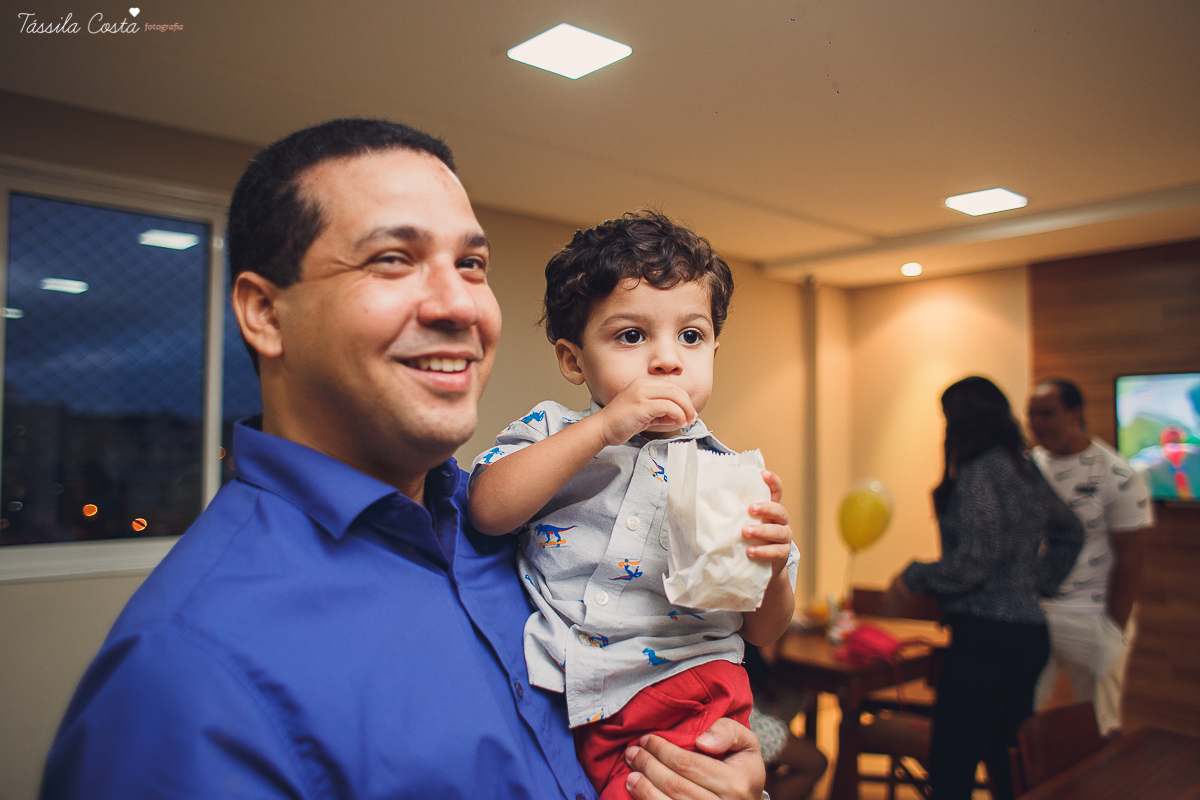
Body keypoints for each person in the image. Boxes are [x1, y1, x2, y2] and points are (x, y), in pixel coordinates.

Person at [39, 120, 768, 800]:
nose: (459, 304)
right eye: (393, 259)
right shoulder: (182, 675)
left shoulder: (507, 523)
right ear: (265, 314)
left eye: (471, 263)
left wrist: (730, 768)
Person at [466, 211, 799, 799]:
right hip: (567, 689)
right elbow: (488, 509)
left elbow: (764, 630)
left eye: (690, 337)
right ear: (573, 361)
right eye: (631, 336)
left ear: (714, 351)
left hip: (693, 686)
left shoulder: (728, 471)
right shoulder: (554, 434)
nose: (667, 360)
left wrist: (770, 570)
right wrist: (602, 428)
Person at [886, 376, 1084, 800]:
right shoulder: (1021, 466)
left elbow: (975, 560)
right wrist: (1034, 584)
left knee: (952, 766)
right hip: (1029, 635)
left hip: (986, 639)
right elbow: (1070, 531)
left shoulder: (978, 473)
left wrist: (914, 576)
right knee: (1008, 762)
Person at [1027, 378, 1154, 735]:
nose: (1038, 423)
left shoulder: (1118, 475)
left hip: (1092, 615)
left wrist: (1112, 630)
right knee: (1019, 719)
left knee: (1099, 726)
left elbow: (1131, 559)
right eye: (1032, 415)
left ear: (1074, 413)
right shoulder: (1025, 469)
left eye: (1047, 413)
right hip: (1033, 615)